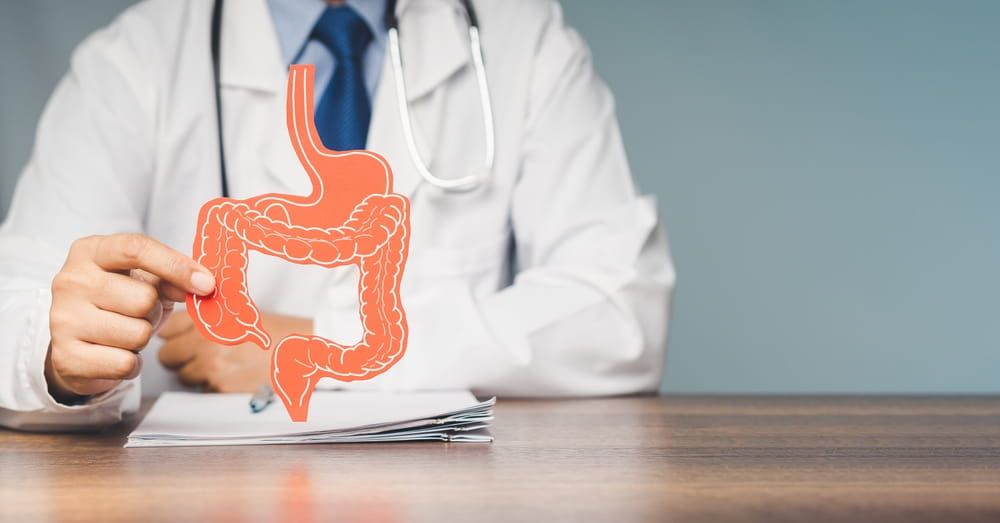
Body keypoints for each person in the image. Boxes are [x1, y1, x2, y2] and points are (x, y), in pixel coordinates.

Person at [0, 0, 674, 430]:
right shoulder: (133, 61)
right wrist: (57, 357)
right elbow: (18, 314)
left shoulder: (525, 41)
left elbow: (619, 314)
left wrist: (323, 342)